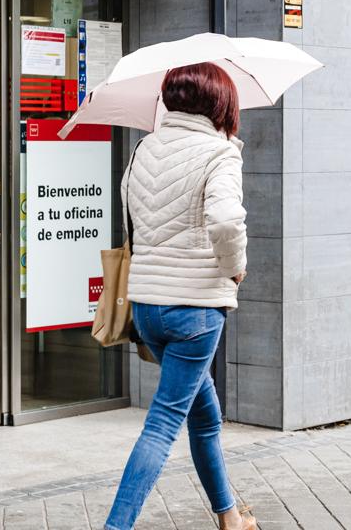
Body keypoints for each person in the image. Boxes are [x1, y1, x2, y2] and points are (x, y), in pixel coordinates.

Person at [105, 62, 254, 530]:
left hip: (149, 306)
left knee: (204, 418)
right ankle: (116, 526)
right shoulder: (219, 153)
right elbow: (227, 222)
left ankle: (229, 515)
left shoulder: (142, 150)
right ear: (220, 103)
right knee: (162, 425)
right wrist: (236, 269)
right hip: (194, 310)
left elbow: (133, 217)